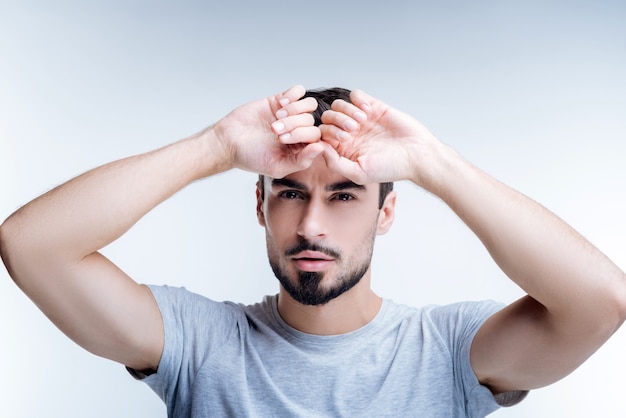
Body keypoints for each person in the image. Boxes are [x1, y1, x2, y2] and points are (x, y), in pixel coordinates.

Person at [1, 85, 624, 417]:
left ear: (387, 213)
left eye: (347, 197)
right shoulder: (201, 342)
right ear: (260, 207)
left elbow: (601, 301)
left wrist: (432, 163)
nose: (312, 226)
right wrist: (214, 146)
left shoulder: (448, 351)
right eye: (292, 194)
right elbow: (29, 245)